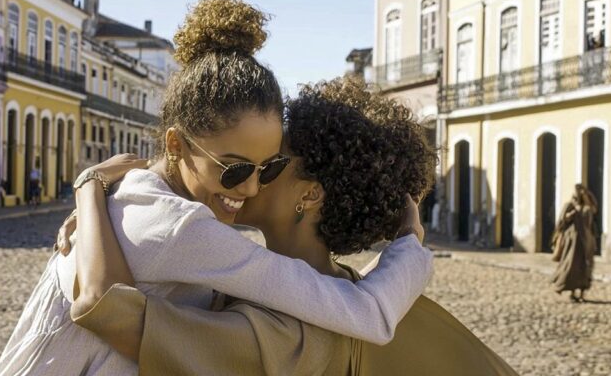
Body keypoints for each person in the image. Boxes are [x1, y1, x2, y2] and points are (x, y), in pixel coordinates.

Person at [0, 0, 432, 376]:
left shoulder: (142, 199)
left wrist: (89, 187)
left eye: (270, 166)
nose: (253, 187)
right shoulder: (182, 227)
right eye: (236, 169)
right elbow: (366, 311)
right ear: (177, 145)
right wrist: (410, 246)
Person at [62, 77, 517, 375]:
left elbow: (109, 311)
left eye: (274, 164)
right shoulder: (346, 288)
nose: (253, 177)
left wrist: (94, 189)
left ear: (311, 194)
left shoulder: (285, 334)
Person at [552, 184, 599, 303]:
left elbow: (593, 213)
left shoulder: (588, 208)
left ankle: (582, 293)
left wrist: (587, 198)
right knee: (572, 267)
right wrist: (573, 213)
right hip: (573, 242)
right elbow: (563, 220)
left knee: (586, 267)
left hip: (587, 241)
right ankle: (572, 292)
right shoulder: (570, 206)